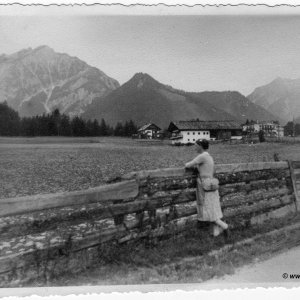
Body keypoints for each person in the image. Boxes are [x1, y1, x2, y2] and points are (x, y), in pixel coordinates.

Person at [185, 139, 229, 237]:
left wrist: (194, 167)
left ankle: (225, 226)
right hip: (211, 183)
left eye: (196, 145)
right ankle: (216, 235)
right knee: (213, 207)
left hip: (205, 185)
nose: (195, 147)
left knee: (208, 208)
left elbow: (188, 165)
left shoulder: (202, 156)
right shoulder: (209, 156)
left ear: (200, 146)